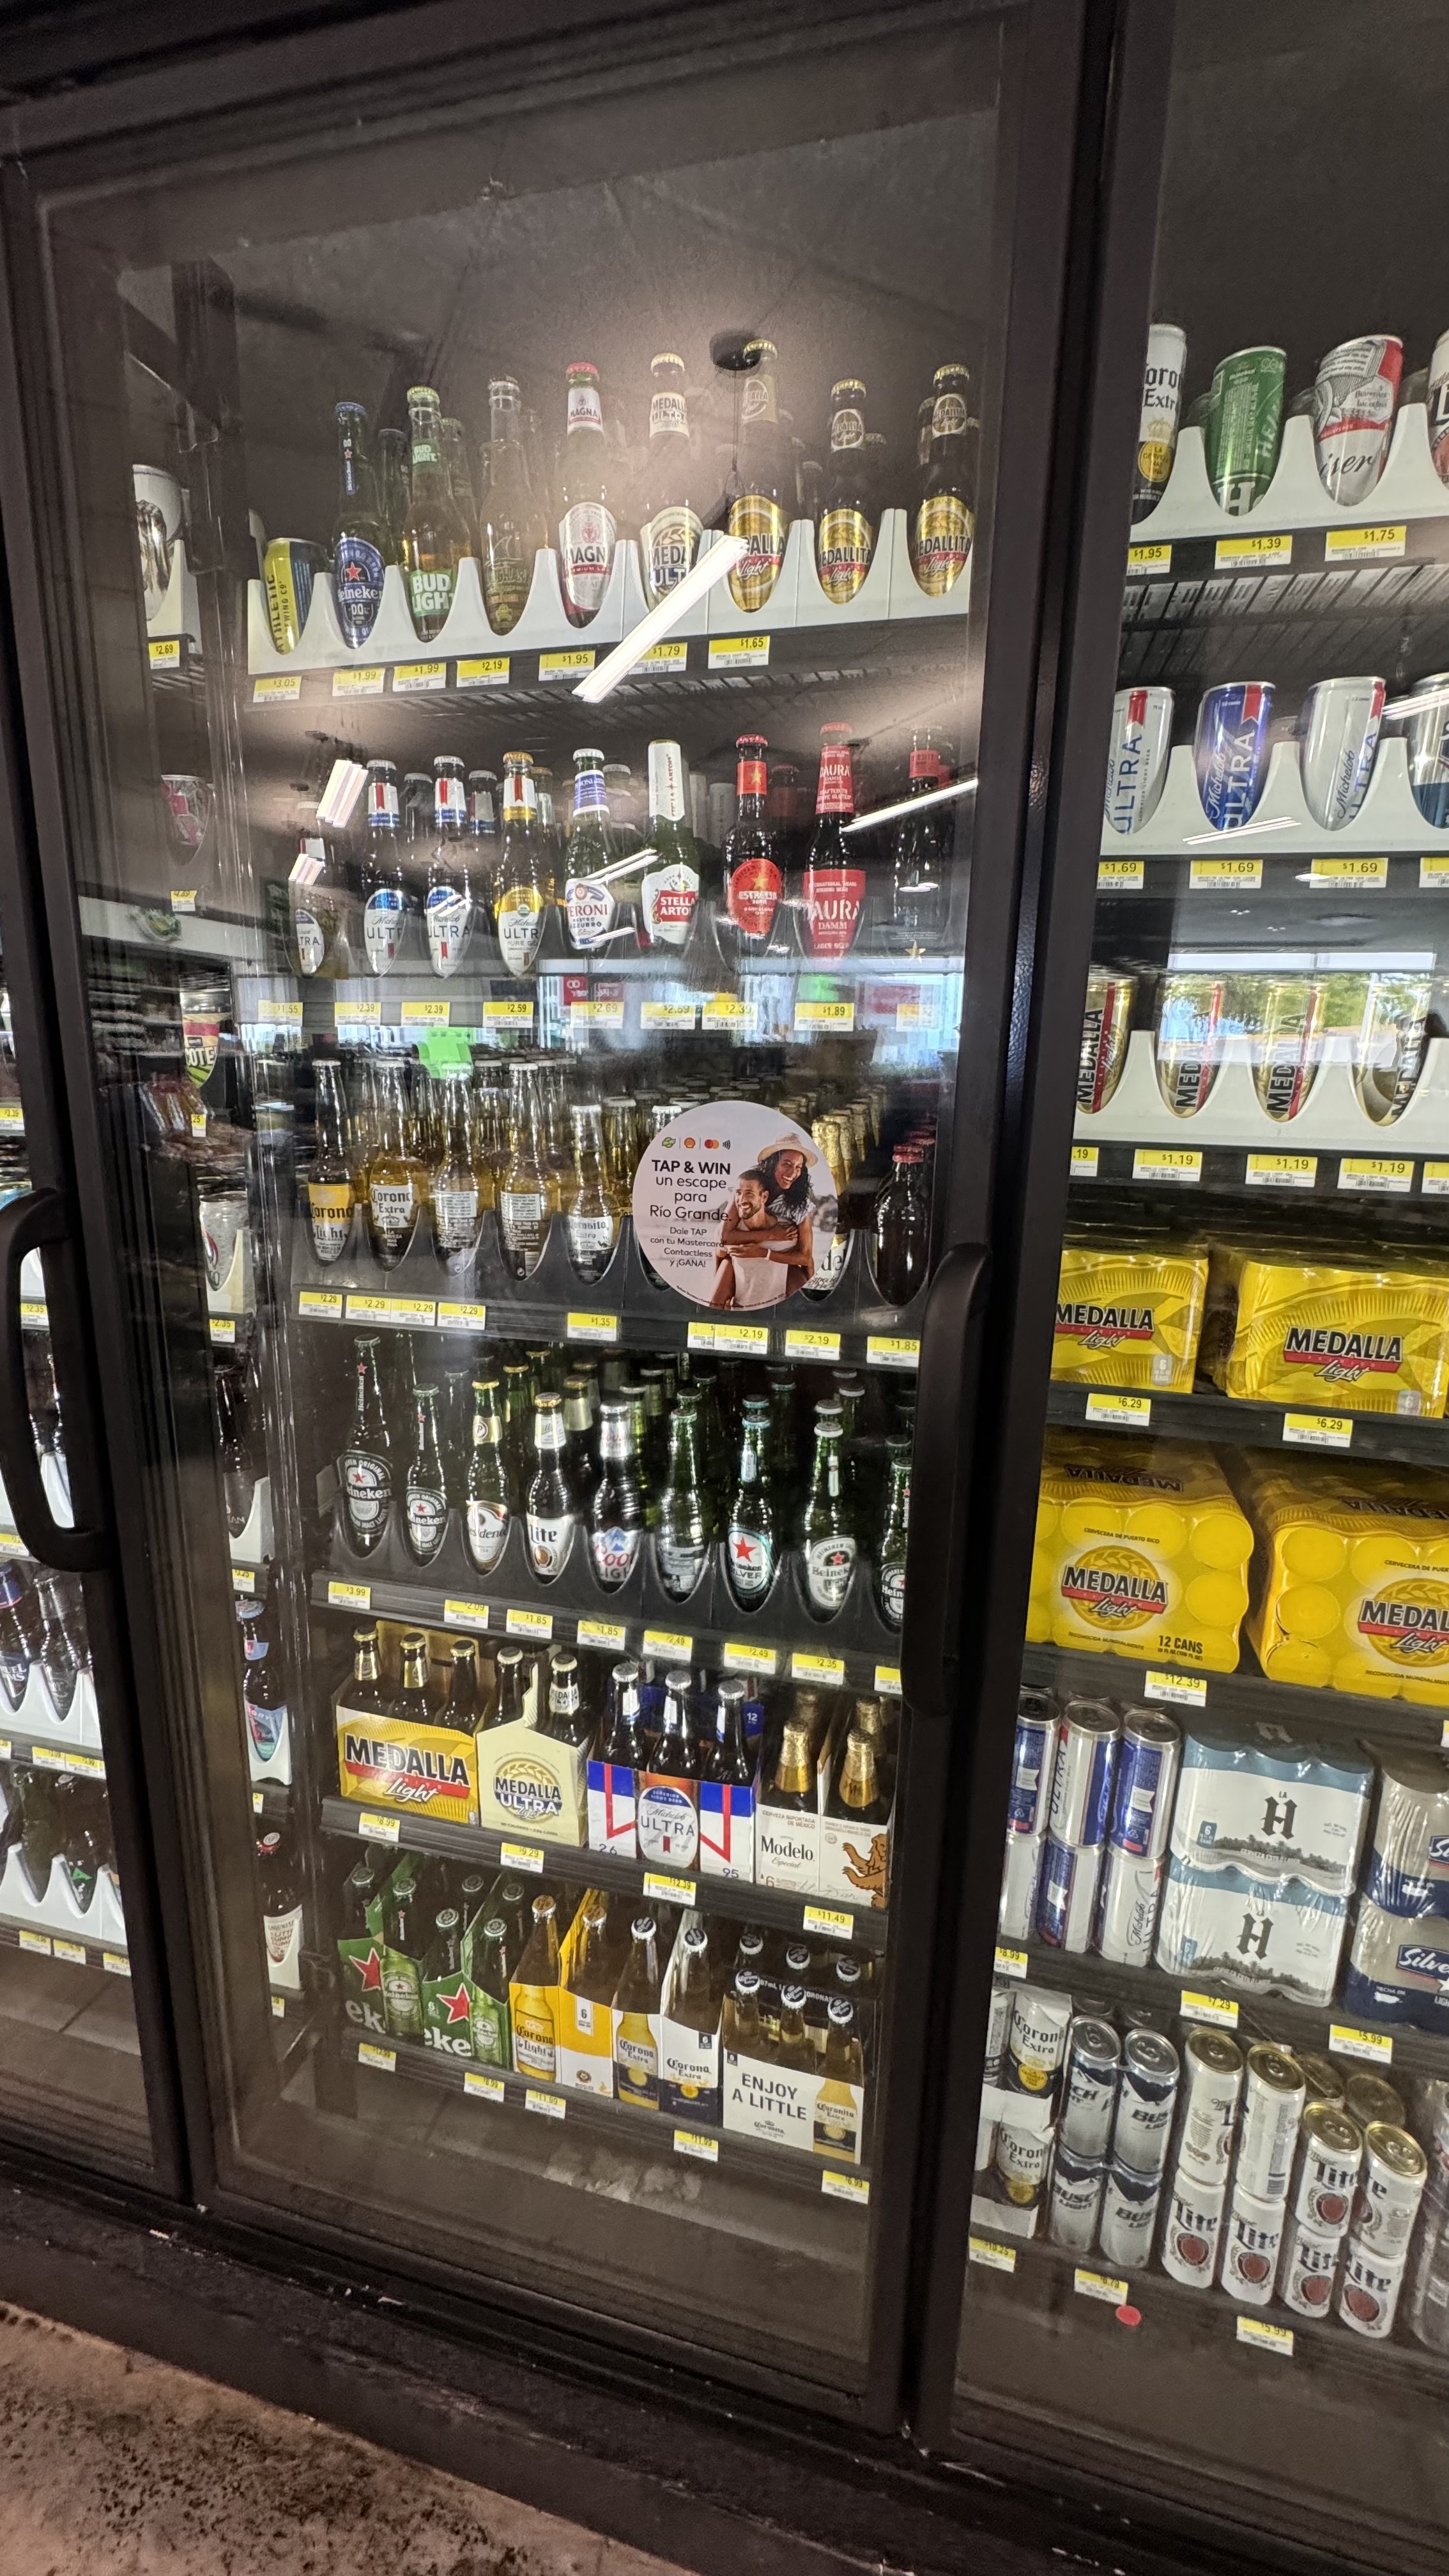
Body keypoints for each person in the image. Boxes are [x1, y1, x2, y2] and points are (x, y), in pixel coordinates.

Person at [712, 1167, 802, 1308]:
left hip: (775, 1311)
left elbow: (803, 1260)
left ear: (764, 1197)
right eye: (738, 1193)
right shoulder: (729, 1233)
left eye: (749, 1193)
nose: (742, 1200)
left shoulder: (787, 1231)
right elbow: (720, 1255)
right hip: (740, 1310)